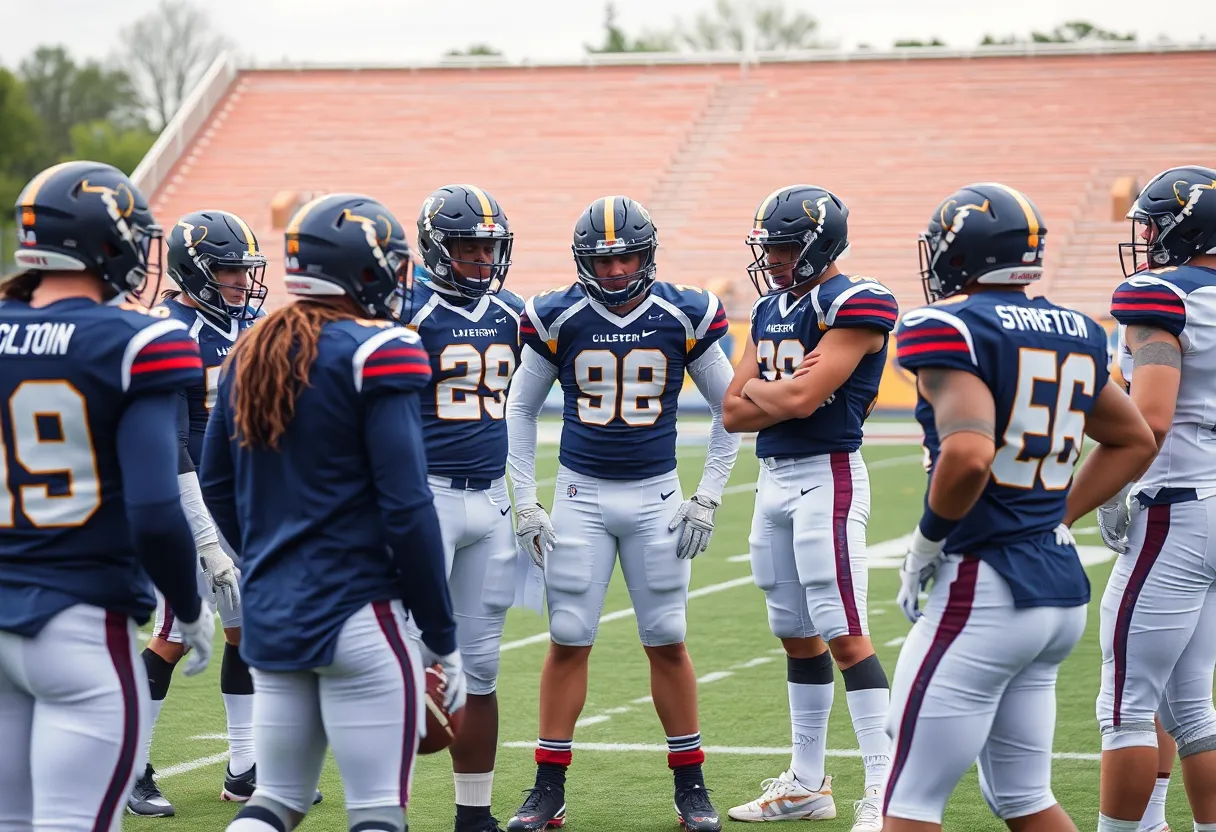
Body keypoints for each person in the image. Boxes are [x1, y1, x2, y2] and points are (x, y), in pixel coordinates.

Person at [882, 182, 1157, 832]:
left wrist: (925, 543)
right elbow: (1134, 437)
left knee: (909, 799)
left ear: (963, 253)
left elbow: (970, 455)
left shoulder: (948, 327)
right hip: (1056, 593)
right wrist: (1057, 515)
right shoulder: (1079, 330)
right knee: (1023, 797)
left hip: (984, 584)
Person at [199, 193, 462, 832]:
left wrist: (267, 555)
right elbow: (407, 506)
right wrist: (441, 636)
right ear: (364, 271)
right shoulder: (379, 350)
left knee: (276, 802)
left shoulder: (251, 351)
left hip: (273, 610)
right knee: (375, 810)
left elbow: (214, 481)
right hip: (359, 612)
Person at [504, 195, 739, 832]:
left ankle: (690, 786)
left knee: (666, 638)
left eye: (626, 258)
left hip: (658, 495)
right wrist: (526, 502)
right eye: (603, 261)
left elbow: (731, 411)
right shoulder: (556, 315)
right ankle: (547, 789)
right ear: (583, 260)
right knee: (568, 637)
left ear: (648, 255)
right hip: (580, 496)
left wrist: (710, 493)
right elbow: (519, 410)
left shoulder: (685, 312)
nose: (613, 272)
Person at [0, 160, 212, 830]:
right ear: (107, 240)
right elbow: (154, 509)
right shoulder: (139, 340)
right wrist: (187, 603)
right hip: (82, 622)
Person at [722, 185, 897, 832]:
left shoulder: (853, 301)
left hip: (828, 476)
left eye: (784, 245)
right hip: (773, 478)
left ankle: (882, 790)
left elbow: (797, 402)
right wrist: (785, 388)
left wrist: (780, 391)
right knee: (794, 631)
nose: (771, 256)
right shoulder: (773, 306)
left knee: (845, 633)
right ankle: (805, 782)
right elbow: (733, 410)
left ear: (819, 245)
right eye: (768, 244)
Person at [127, 207, 306, 815]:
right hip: (186, 500)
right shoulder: (167, 331)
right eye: (228, 271)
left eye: (243, 270)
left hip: (244, 502)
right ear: (196, 270)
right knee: (175, 634)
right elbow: (171, 444)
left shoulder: (254, 323)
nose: (241, 282)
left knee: (245, 631)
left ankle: (243, 767)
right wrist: (204, 536)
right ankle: (128, 767)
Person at [1093, 165, 1216, 832]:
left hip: (1177, 498)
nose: (1142, 234)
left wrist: (1107, 485)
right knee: (1191, 702)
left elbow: (1152, 419)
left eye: (1150, 221)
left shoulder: (1161, 294)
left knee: (1125, 704)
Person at [407, 184, 522, 832]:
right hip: (426, 497)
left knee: (480, 668)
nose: (480, 258)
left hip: (491, 501)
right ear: (435, 248)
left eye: (488, 246)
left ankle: (474, 814)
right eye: (466, 245)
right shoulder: (408, 311)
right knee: (399, 660)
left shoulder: (512, 310)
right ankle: (381, 805)